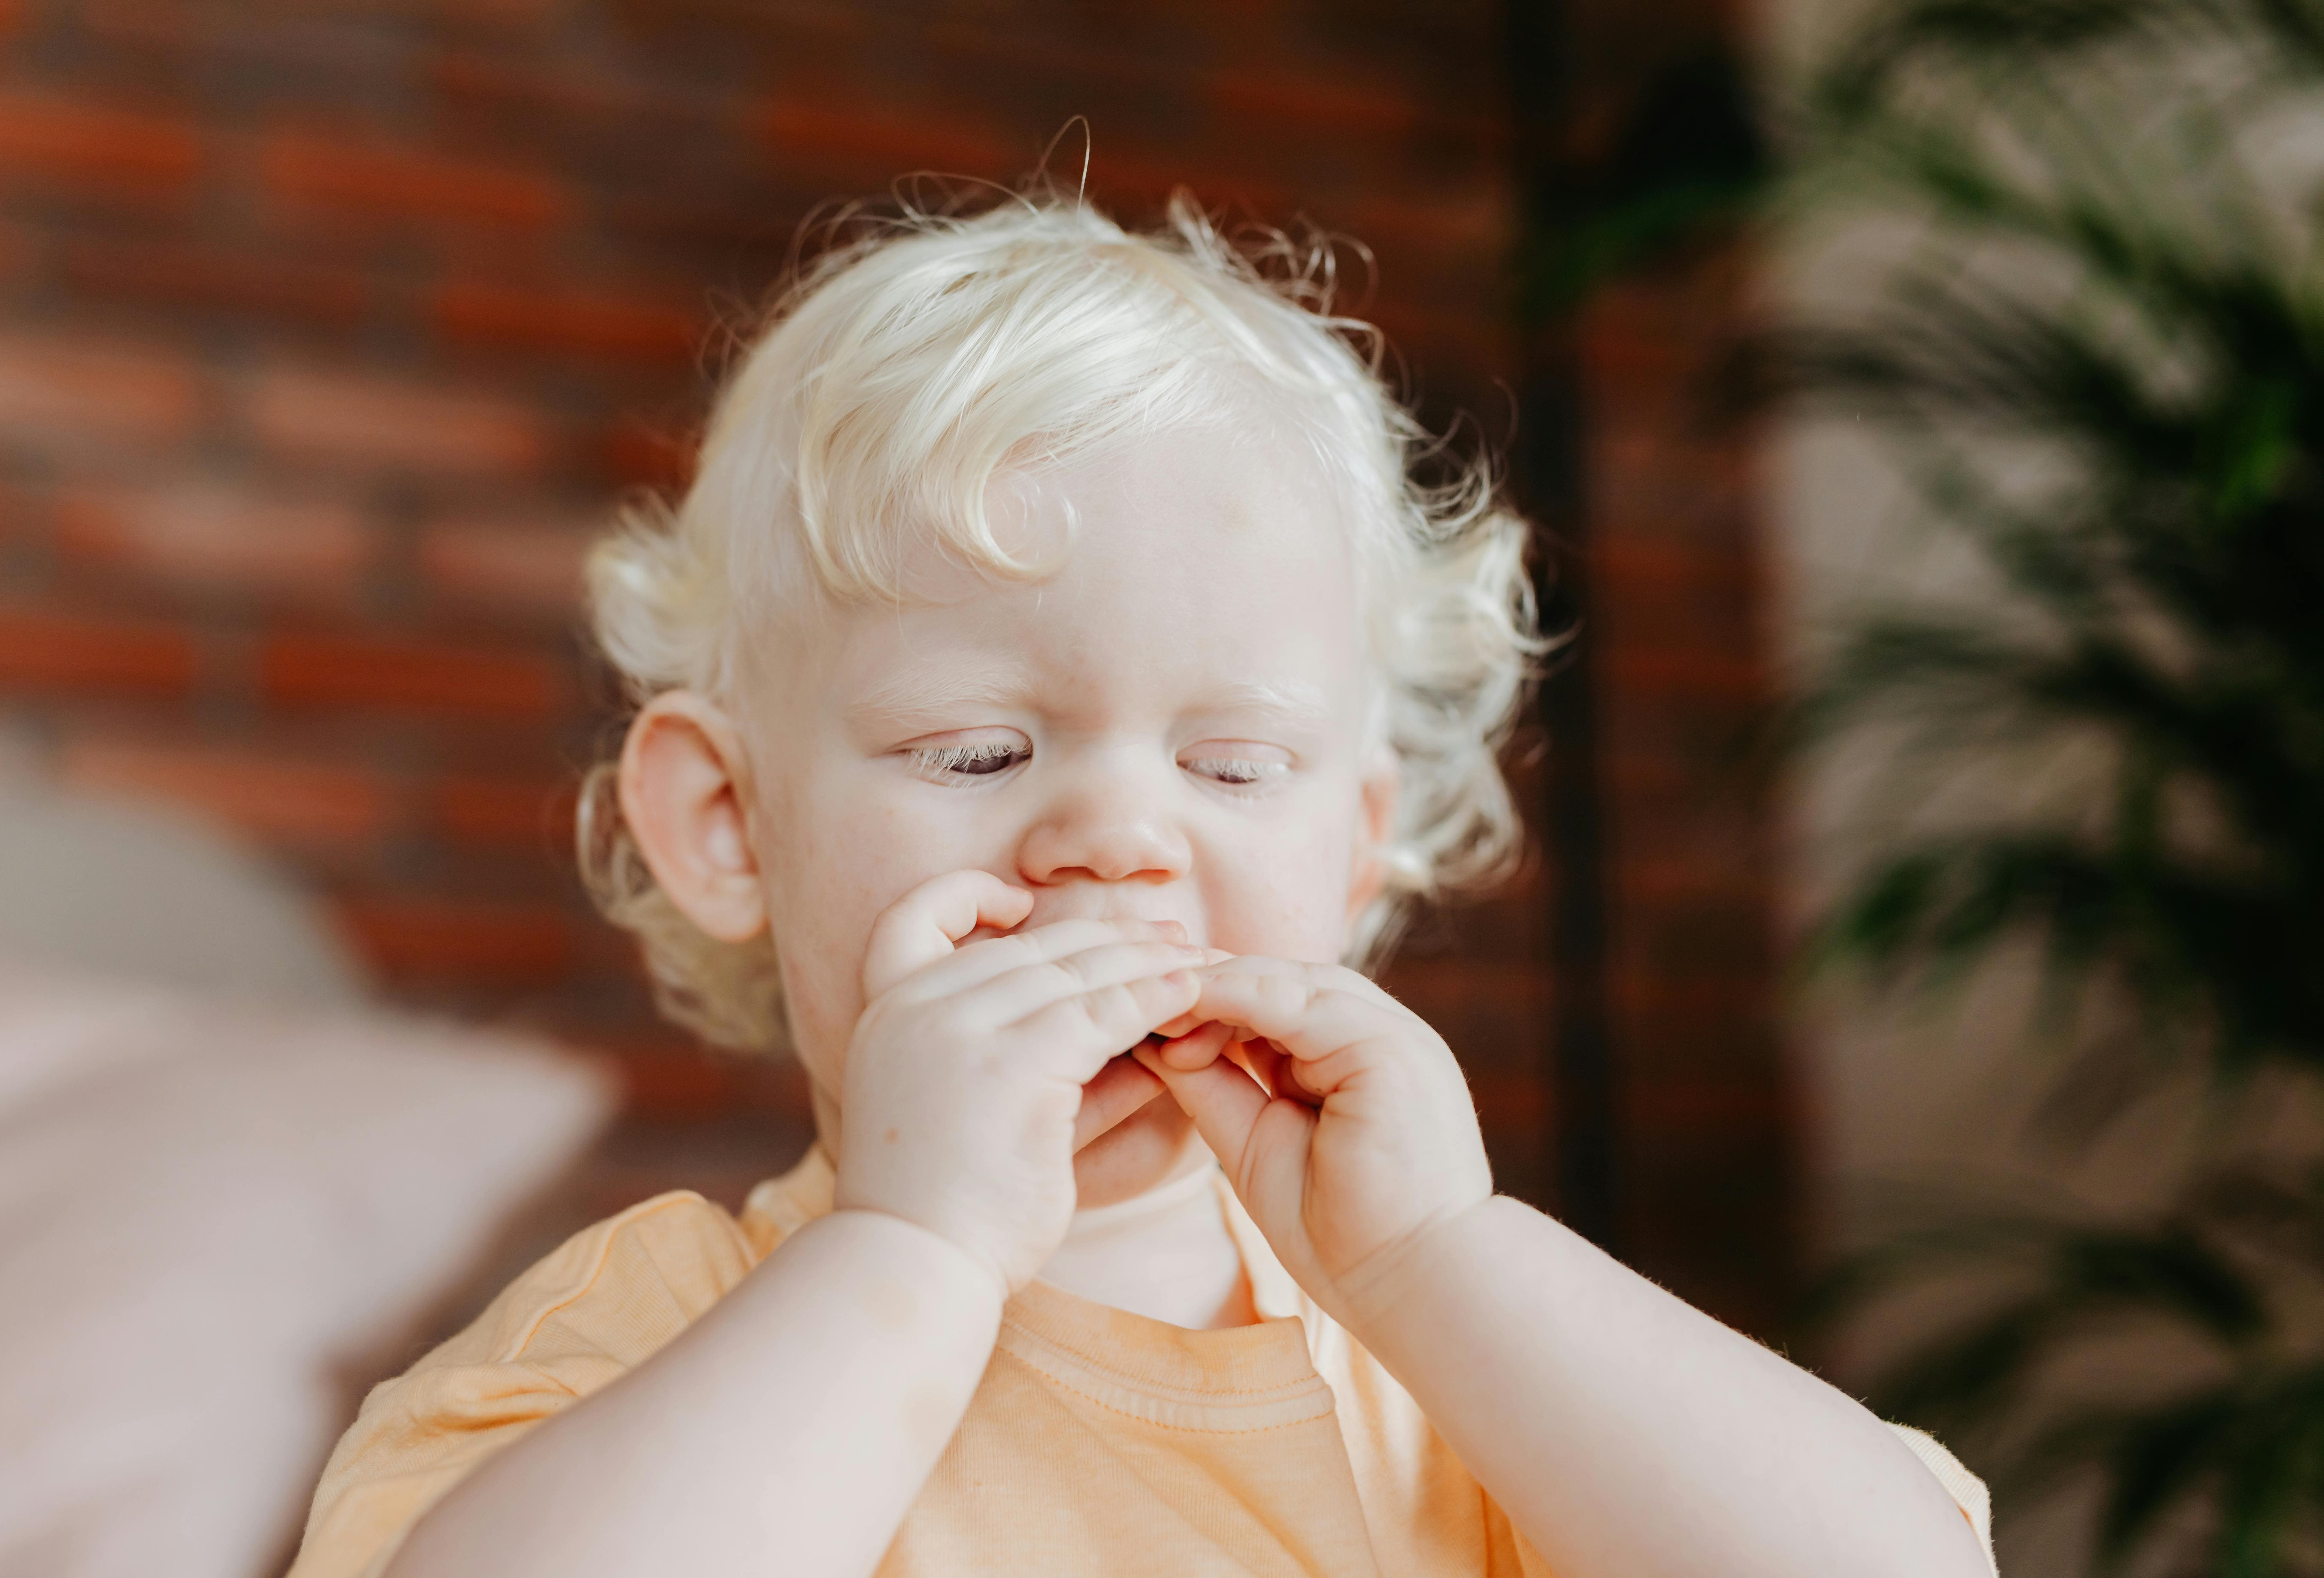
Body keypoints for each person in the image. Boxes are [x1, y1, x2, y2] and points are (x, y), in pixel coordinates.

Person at [285, 187, 1997, 1578]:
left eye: (1234, 766)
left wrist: (1439, 1258)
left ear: (1356, 848)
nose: (1117, 835)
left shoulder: (1467, 1368)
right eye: (975, 751)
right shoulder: (658, 1336)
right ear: (728, 823)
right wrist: (921, 1246)